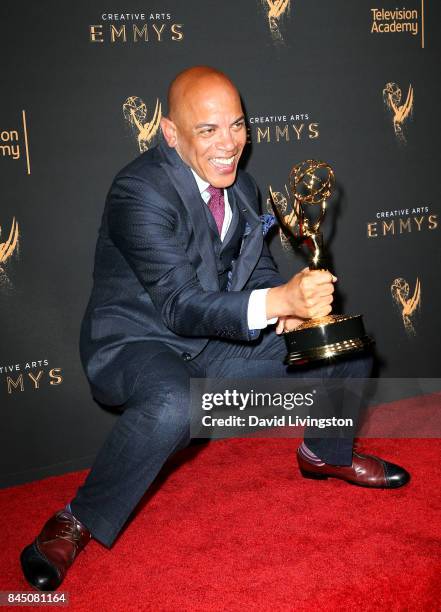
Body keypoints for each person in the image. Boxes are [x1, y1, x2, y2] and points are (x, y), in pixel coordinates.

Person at [20, 66, 410, 592]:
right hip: (140, 340)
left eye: (237, 125)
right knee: (174, 402)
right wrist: (275, 301)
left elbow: (255, 268)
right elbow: (180, 305)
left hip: (216, 341)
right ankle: (77, 518)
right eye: (208, 130)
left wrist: (287, 310)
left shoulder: (243, 186)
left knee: (343, 345)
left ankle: (325, 453)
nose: (230, 144)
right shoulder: (138, 191)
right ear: (171, 134)